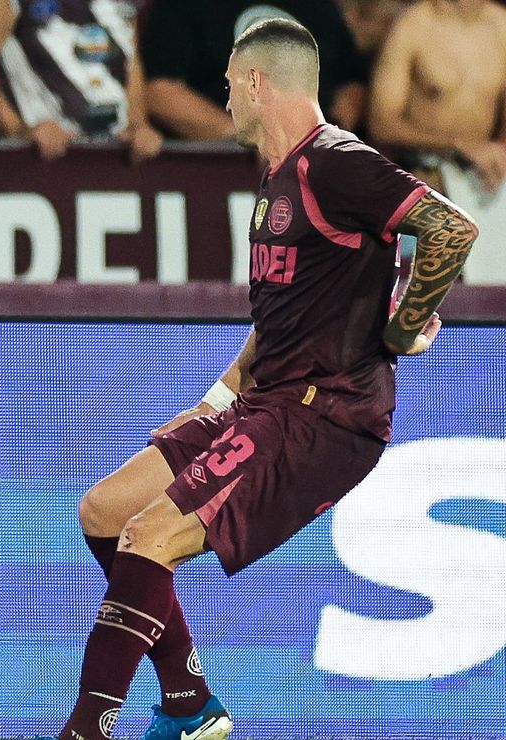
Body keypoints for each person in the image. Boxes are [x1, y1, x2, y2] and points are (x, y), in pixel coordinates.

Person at [60, 18, 478, 740]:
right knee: (103, 511)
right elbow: (279, 318)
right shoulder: (277, 179)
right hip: (266, 402)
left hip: (323, 417)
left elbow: (451, 228)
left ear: (256, 83)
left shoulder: (335, 161)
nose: (224, 100)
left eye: (229, 86)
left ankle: (85, 731)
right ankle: (190, 707)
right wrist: (213, 402)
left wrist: (402, 328)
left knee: (150, 534)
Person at [368, 0, 506, 284]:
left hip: (487, 181)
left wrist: (499, 152)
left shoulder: (501, 27)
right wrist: (457, 144)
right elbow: (381, 123)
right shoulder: (412, 27)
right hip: (424, 178)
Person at [140, 0, 366, 141]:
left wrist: (324, 135)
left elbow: (351, 83)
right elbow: (159, 92)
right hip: (216, 176)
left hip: (314, 174)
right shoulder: (183, 5)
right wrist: (245, 134)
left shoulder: (320, 7)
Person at [0, 0, 163, 161]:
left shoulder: (123, 5)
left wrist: (138, 126)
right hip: (42, 157)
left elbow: (131, 65)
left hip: (115, 157)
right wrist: (20, 132)